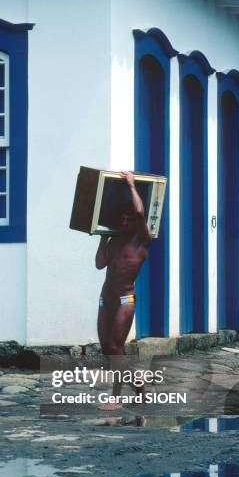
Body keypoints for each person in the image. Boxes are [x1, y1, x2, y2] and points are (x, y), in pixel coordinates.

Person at [96, 171, 152, 410]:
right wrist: (102, 237)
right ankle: (136, 389)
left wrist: (130, 184)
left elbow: (140, 213)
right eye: (123, 219)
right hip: (105, 298)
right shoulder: (115, 240)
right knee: (109, 349)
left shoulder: (142, 240)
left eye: (129, 219)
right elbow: (99, 263)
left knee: (115, 347)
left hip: (124, 298)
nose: (126, 222)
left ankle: (121, 396)